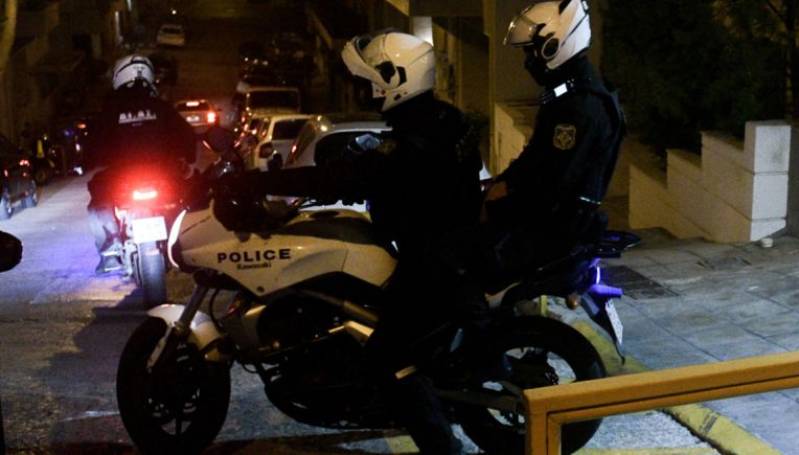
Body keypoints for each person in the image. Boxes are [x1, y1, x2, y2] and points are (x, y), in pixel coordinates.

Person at [218, 31, 484, 454]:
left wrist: (257, 182)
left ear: (397, 79)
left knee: (388, 357)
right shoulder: (442, 119)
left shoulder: (411, 143)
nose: (368, 90)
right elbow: (375, 171)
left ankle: (442, 449)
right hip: (450, 248)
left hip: (435, 264)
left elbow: (342, 178)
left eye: (373, 80)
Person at [481, 0, 625, 286]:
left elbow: (553, 180)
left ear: (553, 46)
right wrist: (503, 182)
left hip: (557, 226)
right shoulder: (572, 90)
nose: (528, 61)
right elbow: (538, 155)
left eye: (530, 51)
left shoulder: (579, 108)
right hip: (558, 217)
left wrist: (504, 198)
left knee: (469, 267)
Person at [85, 54, 197, 274]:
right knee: (188, 196)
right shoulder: (162, 108)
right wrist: (187, 159)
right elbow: (186, 135)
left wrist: (88, 162)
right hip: (162, 174)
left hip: (122, 177)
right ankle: (184, 240)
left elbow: (93, 144)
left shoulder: (109, 112)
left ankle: (110, 250)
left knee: (97, 203)